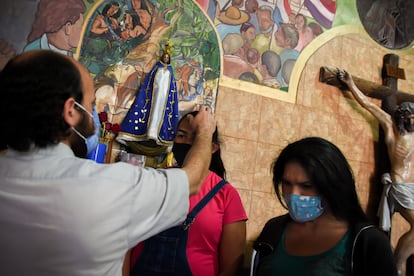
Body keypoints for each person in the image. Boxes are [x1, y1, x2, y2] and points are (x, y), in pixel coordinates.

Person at [0, 49, 216, 276]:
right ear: (71, 111)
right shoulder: (112, 186)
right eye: (91, 104)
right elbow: (192, 181)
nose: (93, 113)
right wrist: (204, 132)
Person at [252, 137, 397, 275]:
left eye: (306, 186)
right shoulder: (274, 230)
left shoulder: (368, 242)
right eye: (287, 183)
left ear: (332, 187)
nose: (294, 194)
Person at [128, 111, 248, 276]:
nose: (187, 143)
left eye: (196, 137)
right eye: (181, 136)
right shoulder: (155, 180)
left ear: (212, 148)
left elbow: (231, 266)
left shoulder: (227, 195)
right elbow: (126, 239)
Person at [338, 70, 414, 276]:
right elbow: (368, 104)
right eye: (411, 116)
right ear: (403, 116)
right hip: (399, 186)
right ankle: (397, 262)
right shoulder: (391, 127)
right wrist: (351, 83)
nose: (413, 120)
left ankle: (398, 265)